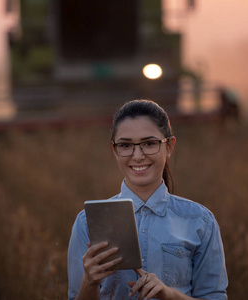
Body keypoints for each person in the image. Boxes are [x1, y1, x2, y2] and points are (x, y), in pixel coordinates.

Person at [67, 100, 228, 300]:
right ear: (114, 150)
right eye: (125, 145)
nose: (137, 156)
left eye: (149, 144)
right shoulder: (86, 223)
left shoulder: (200, 221)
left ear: (169, 146)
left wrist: (168, 294)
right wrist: (89, 282)